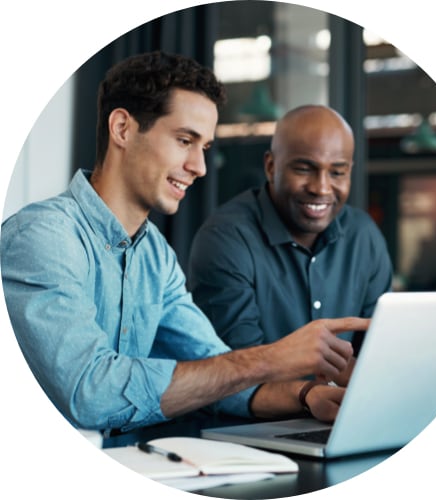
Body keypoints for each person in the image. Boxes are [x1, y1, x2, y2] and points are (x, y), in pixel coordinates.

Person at [1, 52, 368, 434]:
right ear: (123, 129)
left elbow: (216, 373)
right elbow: (91, 393)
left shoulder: (155, 255)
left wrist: (307, 394)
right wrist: (272, 359)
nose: (199, 166)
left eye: (204, 147)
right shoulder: (41, 238)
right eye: (184, 140)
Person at [189, 105, 392, 356]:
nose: (321, 188)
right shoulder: (226, 238)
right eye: (304, 169)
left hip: (347, 396)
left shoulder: (363, 236)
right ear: (271, 166)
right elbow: (237, 366)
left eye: (337, 172)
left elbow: (379, 350)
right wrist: (312, 393)